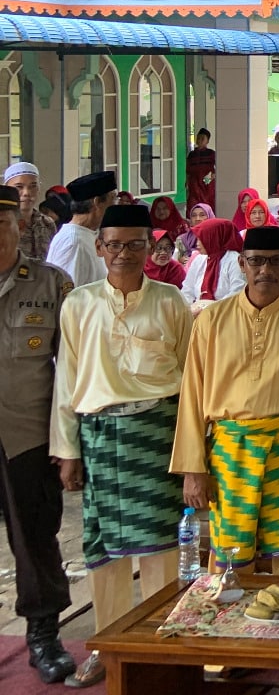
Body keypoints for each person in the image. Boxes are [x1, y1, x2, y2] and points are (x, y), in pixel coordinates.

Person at [51, 202, 191, 685]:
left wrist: (193, 451)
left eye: (136, 244)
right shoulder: (79, 303)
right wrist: (67, 450)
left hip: (157, 435)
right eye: (115, 244)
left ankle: (162, 641)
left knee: (161, 548)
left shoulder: (171, 301)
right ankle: (108, 649)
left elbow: (192, 382)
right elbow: (67, 381)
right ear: (99, 247)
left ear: (151, 247)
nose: (125, 254)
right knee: (104, 552)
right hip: (100, 438)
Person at [171, 225, 279, 577]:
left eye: (276, 261)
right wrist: (193, 468)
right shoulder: (212, 319)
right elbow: (192, 395)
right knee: (230, 552)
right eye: (257, 261)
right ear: (242, 264)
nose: (266, 270)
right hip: (230, 450)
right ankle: (228, 628)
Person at [0, 184, 78, 683]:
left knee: (35, 540)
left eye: (1, 228)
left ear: (19, 228)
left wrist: (67, 444)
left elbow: (71, 372)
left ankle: (43, 636)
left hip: (27, 437)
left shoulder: (52, 285)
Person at [47, 170, 116, 288]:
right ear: (97, 202)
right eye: (113, 199)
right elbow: (69, 297)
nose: (116, 205)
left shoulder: (90, 234)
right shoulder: (74, 243)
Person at [181, 217, 246, 306]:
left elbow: (237, 292)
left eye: (202, 239)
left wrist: (209, 309)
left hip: (224, 313)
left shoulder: (234, 260)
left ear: (214, 238)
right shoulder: (199, 259)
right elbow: (187, 290)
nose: (197, 243)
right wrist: (187, 310)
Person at [6, 162, 57, 261]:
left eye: (33, 186)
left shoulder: (47, 223)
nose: (26, 193)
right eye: (19, 187)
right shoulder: (4, 224)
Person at [185, 128, 218, 214]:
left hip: (207, 185)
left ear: (207, 141)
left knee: (208, 205)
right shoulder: (191, 155)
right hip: (194, 185)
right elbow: (188, 170)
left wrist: (211, 177)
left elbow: (220, 168)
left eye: (202, 138)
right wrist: (187, 182)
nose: (200, 140)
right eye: (198, 138)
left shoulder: (211, 153)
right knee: (193, 206)